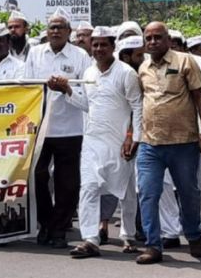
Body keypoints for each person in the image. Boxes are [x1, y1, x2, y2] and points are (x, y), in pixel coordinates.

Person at [48, 28, 142, 258]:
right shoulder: (89, 73)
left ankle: (128, 235)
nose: (99, 49)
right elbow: (88, 105)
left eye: (104, 45)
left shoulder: (126, 73)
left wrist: (135, 138)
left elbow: (138, 107)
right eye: (95, 45)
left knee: (127, 192)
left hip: (120, 142)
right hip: (92, 142)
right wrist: (67, 90)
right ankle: (90, 239)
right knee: (88, 188)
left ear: (113, 47)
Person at [134, 21, 201, 264]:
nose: (153, 42)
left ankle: (193, 235)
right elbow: (140, 103)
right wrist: (133, 135)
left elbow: (200, 98)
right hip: (150, 144)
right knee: (148, 193)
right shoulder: (143, 68)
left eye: (158, 37)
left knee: (189, 193)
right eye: (148, 38)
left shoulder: (184, 61)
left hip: (183, 143)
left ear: (168, 39)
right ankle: (152, 245)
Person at [23, 8, 91, 247]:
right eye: (52, 27)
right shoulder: (35, 53)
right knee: (37, 177)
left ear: (69, 32)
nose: (55, 31)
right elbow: (25, 88)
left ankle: (60, 230)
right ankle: (46, 223)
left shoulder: (81, 56)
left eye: (60, 27)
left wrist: (67, 90)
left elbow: (87, 97)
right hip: (40, 129)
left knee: (68, 183)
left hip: (70, 129)